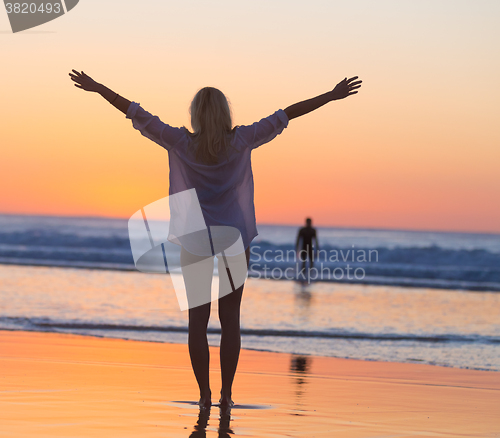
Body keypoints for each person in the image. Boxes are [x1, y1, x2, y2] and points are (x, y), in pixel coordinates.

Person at [68, 69, 362, 409]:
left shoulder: (180, 141)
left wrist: (98, 88)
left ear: (195, 114)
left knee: (197, 321)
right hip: (234, 238)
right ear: (225, 113)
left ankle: (204, 395)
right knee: (231, 319)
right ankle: (226, 395)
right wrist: (329, 95)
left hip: (195, 238)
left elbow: (134, 111)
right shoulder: (242, 140)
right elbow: (287, 114)